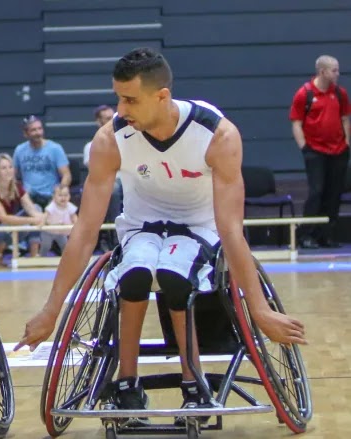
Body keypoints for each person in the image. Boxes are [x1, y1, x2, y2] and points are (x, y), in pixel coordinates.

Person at [16, 48, 307, 426]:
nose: (120, 109)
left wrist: (260, 309)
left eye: (130, 99)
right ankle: (127, 383)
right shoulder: (110, 139)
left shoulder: (217, 134)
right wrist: (51, 310)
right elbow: (85, 231)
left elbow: (232, 229)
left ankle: (194, 382)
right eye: (119, 97)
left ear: (162, 96)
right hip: (141, 225)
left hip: (199, 227)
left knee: (173, 271)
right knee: (133, 271)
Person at [289, 55, 351, 249]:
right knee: (317, 192)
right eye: (334, 70)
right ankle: (306, 234)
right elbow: (296, 123)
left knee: (334, 193)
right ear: (322, 71)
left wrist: (347, 142)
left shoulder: (340, 94)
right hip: (315, 151)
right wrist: (304, 148)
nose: (338, 74)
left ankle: (326, 235)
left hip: (339, 150)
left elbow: (345, 119)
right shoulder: (304, 94)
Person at [0, 153, 45, 266]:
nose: (8, 170)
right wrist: (32, 221)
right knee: (11, 226)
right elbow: (4, 218)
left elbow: (31, 208)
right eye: (4, 168)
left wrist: (39, 217)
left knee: (37, 208)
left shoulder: (17, 187)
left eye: (10, 167)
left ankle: (34, 256)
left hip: (7, 228)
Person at [84, 104, 122, 250]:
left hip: (128, 180)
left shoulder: (127, 141)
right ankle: (114, 239)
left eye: (113, 117)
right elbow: (99, 171)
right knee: (114, 189)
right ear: (98, 122)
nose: (112, 121)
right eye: (107, 119)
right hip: (107, 183)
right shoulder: (91, 146)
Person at [13, 115, 71, 208]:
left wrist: (59, 193)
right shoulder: (19, 150)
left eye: (40, 129)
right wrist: (19, 192)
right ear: (25, 134)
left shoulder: (55, 148)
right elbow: (12, 176)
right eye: (33, 130)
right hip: (28, 198)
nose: (38, 133)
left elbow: (66, 175)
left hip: (51, 197)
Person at [39, 185, 78, 257]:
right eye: (60, 195)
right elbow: (45, 215)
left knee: (65, 245)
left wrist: (77, 224)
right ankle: (42, 257)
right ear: (54, 197)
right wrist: (42, 223)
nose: (63, 198)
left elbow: (74, 216)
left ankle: (65, 258)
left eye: (66, 195)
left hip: (61, 232)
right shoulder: (52, 206)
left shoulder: (70, 206)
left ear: (69, 196)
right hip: (49, 231)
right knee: (46, 245)